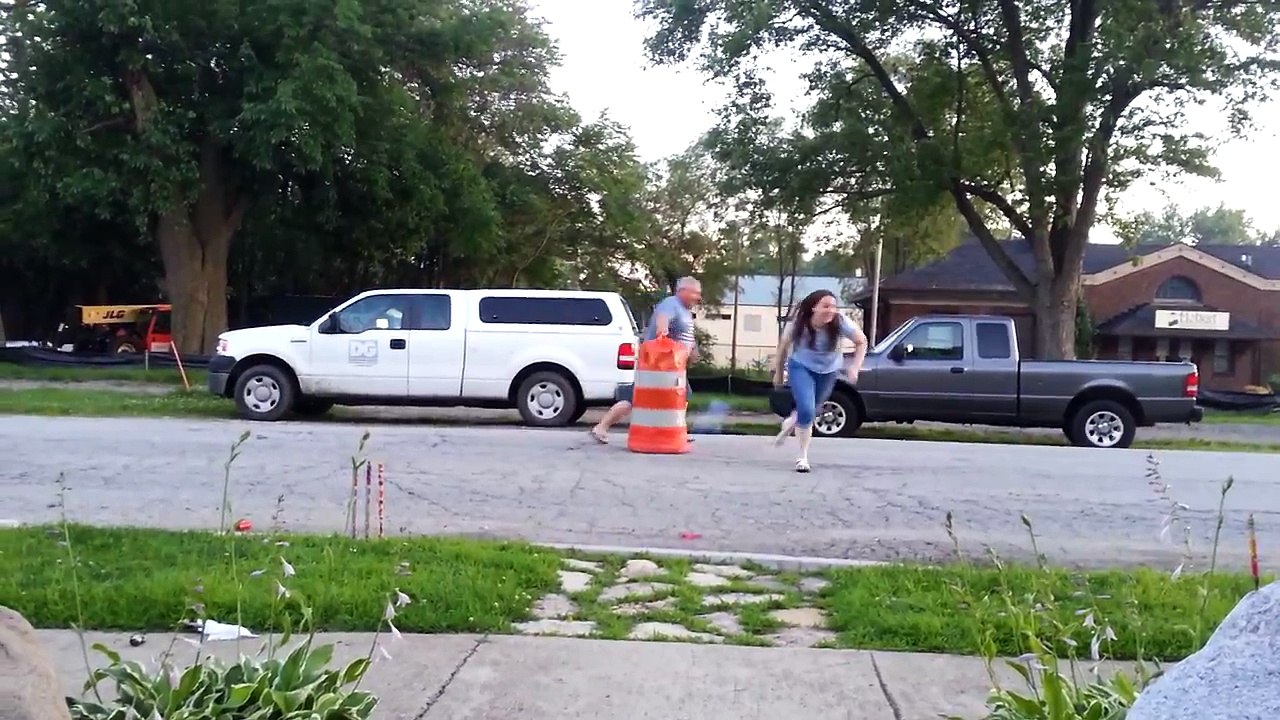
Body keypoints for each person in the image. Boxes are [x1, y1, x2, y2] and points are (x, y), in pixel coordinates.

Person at [590, 276, 701, 444]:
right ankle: (602, 427)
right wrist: (662, 336)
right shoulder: (671, 304)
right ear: (682, 291)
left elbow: (687, 336)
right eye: (694, 293)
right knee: (634, 398)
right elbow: (662, 322)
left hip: (673, 367)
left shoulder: (684, 310)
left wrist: (693, 350)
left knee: (683, 394)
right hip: (658, 364)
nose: (697, 297)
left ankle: (677, 430)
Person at [772, 289, 868, 473]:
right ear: (813, 307)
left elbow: (861, 341)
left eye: (833, 306)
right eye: (825, 306)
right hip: (801, 367)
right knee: (807, 409)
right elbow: (782, 349)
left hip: (829, 370)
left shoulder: (839, 322)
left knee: (812, 409)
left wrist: (855, 366)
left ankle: (792, 420)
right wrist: (778, 373)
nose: (830, 310)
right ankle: (802, 457)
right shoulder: (798, 325)